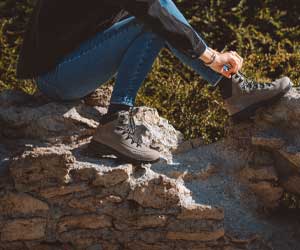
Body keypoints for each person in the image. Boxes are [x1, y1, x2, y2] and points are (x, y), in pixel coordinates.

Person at [16, 0, 292, 163]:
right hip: (57, 77)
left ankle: (233, 88)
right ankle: (116, 121)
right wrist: (210, 56)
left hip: (78, 59)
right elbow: (150, 13)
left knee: (164, 7)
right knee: (153, 21)